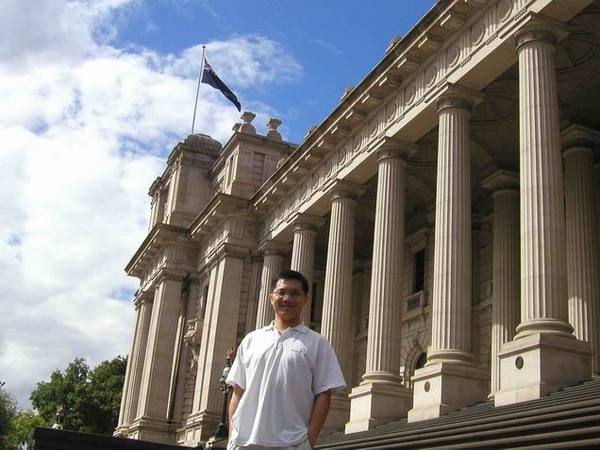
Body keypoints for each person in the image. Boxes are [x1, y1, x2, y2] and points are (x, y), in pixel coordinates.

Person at [225, 269, 346, 450]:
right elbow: (238, 391)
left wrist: (308, 442)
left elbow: (324, 395)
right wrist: (232, 436)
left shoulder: (317, 343)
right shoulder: (252, 340)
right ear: (271, 297)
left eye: (295, 293)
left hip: (292, 444)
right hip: (243, 443)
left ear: (305, 300)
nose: (287, 298)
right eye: (281, 292)